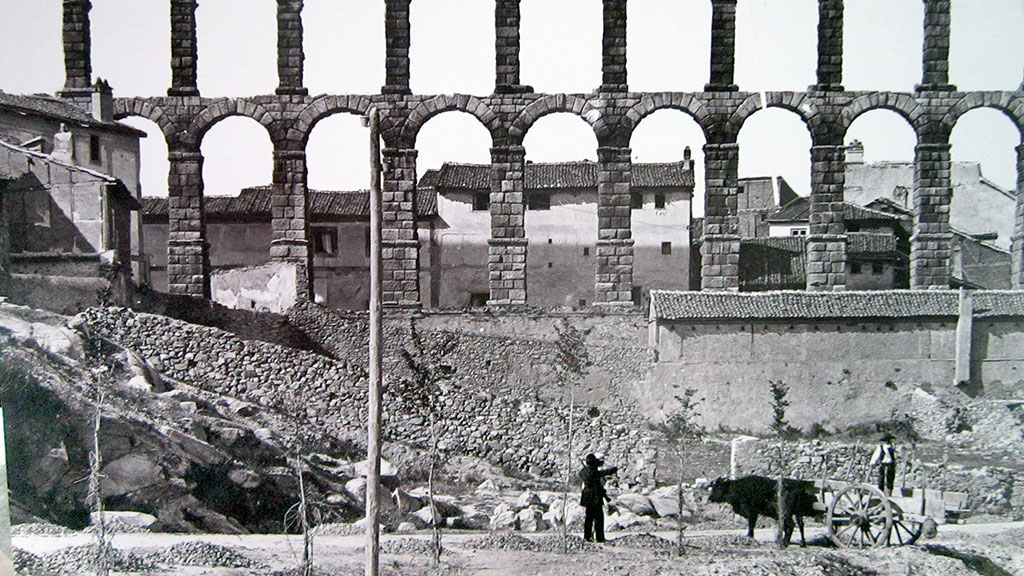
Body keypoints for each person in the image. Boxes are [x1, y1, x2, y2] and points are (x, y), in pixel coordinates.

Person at [579, 453, 617, 542]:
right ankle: (599, 538)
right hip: (594, 497)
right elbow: (603, 473)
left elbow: (584, 473)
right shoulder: (593, 472)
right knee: (599, 518)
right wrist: (613, 470)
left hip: (587, 496)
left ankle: (587, 537)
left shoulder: (583, 471)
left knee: (588, 518)